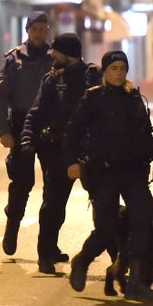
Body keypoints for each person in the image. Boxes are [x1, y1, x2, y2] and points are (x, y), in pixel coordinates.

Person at [63, 50, 153, 301]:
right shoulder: (93, 98)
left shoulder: (134, 99)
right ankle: (82, 261)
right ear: (105, 72)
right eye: (114, 68)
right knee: (107, 228)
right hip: (104, 172)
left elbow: (147, 135)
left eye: (122, 68)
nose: (119, 73)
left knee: (142, 222)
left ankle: (137, 282)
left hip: (133, 171)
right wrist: (71, 163)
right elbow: (72, 134)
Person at [20, 33, 100, 274]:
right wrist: (27, 137)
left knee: (103, 204)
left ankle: (119, 260)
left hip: (90, 150)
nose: (51, 55)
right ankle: (46, 254)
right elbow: (37, 111)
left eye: (55, 51)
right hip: (57, 150)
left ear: (69, 54)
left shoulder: (93, 77)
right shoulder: (52, 79)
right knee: (53, 204)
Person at [0, 11, 54, 257]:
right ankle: (12, 229)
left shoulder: (56, 57)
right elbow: (0, 97)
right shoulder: (14, 60)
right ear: (27, 31)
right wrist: (3, 131)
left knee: (53, 186)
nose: (39, 33)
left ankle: (49, 244)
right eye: (35, 29)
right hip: (20, 125)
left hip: (50, 126)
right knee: (22, 182)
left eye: (43, 28)